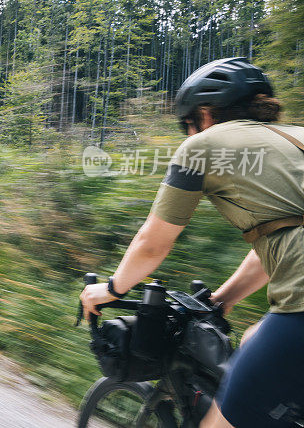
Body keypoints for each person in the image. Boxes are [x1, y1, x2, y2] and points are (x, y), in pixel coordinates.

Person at [80, 57, 304, 428]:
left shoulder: (203, 145)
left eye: (187, 125)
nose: (188, 134)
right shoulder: (295, 138)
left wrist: (111, 290)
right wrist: (223, 300)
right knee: (253, 339)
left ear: (204, 114)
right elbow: (279, 241)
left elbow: (153, 243)